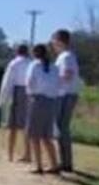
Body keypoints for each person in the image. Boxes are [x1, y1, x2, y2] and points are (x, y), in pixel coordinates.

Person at [24, 44, 60, 175]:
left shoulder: (34, 65)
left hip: (38, 99)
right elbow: (58, 83)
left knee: (34, 135)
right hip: (51, 102)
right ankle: (54, 164)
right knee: (46, 136)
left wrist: (30, 95)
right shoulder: (54, 67)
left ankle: (38, 165)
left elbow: (29, 82)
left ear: (35, 54)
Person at [51, 29, 81, 173]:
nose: (53, 45)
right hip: (67, 93)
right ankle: (64, 161)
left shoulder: (66, 57)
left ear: (59, 41)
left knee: (62, 128)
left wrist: (53, 82)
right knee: (61, 128)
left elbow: (67, 75)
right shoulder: (65, 56)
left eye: (54, 42)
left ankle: (66, 162)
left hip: (66, 94)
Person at [0, 44, 32, 163]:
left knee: (12, 126)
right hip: (30, 93)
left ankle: (10, 154)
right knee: (26, 125)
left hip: (17, 92)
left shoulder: (14, 63)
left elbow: (7, 82)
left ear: (16, 52)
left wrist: (2, 99)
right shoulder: (31, 63)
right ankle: (27, 153)